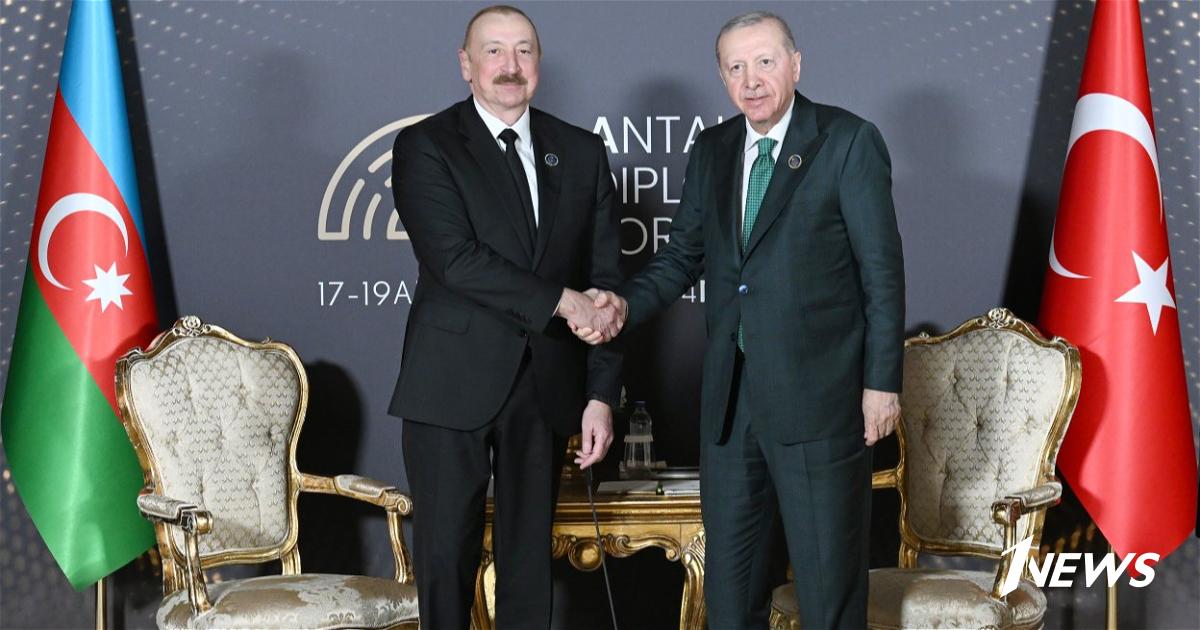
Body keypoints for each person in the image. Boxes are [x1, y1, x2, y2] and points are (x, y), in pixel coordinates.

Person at [578, 11, 904, 629]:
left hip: (821, 401)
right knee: (729, 596)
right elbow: (681, 257)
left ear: (795, 65)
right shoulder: (714, 149)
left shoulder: (847, 141)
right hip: (731, 407)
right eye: (735, 67)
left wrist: (881, 383)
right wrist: (622, 305)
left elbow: (881, 275)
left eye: (764, 62)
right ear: (723, 78)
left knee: (828, 595)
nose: (751, 80)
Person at [388, 6, 625, 628]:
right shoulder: (427, 144)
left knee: (529, 565)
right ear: (466, 65)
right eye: (493, 51)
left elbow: (606, 284)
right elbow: (455, 259)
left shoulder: (581, 151)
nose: (510, 66)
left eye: (523, 50)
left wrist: (600, 395)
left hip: (545, 387)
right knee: (445, 559)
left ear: (538, 64)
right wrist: (564, 302)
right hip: (449, 383)